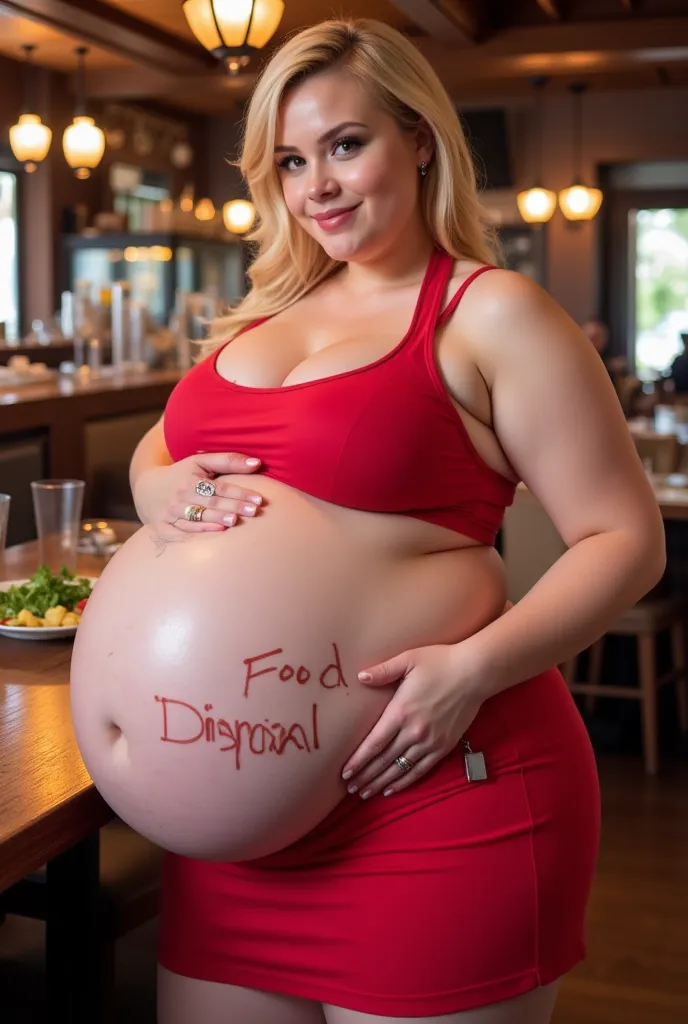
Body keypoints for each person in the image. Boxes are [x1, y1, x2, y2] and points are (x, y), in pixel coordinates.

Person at [127, 19, 665, 1024]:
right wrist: (160, 491)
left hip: (436, 795)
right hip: (241, 834)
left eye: (344, 144)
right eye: (291, 160)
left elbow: (625, 538)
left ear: (418, 138)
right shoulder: (260, 315)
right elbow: (160, 449)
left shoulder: (489, 313)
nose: (316, 185)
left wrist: (471, 670)